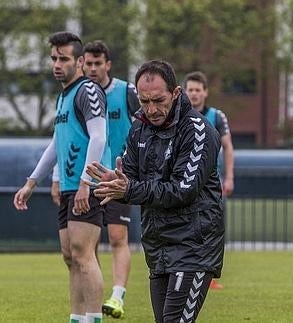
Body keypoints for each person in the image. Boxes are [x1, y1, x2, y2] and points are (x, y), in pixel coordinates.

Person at [85, 60, 225, 322]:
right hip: (158, 246)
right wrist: (118, 181)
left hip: (194, 247)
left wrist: (129, 189)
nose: (151, 109)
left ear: (176, 93)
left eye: (158, 100)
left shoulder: (199, 131)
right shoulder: (139, 128)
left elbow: (183, 190)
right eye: (144, 101)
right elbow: (130, 177)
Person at [13, 31, 108, 323]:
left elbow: (99, 138)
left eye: (63, 58)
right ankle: (76, 318)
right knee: (70, 256)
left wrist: (86, 183)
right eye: (54, 58)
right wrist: (32, 181)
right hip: (68, 186)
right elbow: (57, 143)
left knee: (83, 254)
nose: (57, 64)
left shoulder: (88, 91)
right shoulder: (63, 96)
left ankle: (94, 318)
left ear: (79, 61)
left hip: (86, 185)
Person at [50, 40, 140, 319]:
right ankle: (86, 311)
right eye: (88, 63)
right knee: (79, 251)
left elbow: (143, 126)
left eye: (96, 63)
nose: (91, 68)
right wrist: (51, 176)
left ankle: (116, 296)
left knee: (115, 236)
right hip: (81, 178)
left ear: (107, 65)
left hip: (115, 176)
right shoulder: (71, 94)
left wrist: (136, 165)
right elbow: (60, 140)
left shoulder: (125, 92)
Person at [184, 71, 234, 290]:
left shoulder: (217, 116)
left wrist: (229, 177)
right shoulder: (179, 115)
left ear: (205, 92)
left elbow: (228, 147)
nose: (194, 94)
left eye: (197, 90)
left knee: (211, 229)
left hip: (210, 184)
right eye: (190, 90)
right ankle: (185, 271)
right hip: (184, 183)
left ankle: (209, 276)